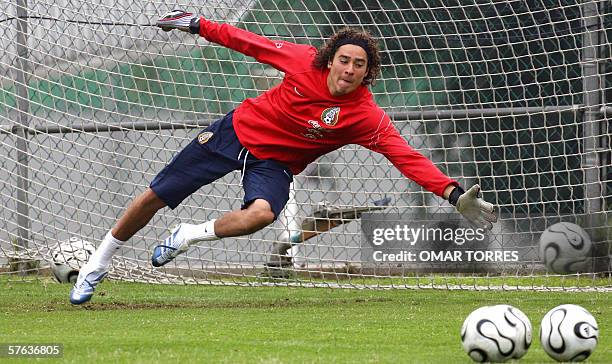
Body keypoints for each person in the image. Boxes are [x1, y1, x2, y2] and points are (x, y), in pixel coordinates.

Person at [69, 10, 497, 304]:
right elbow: (248, 42)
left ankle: (188, 234)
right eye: (343, 60)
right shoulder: (301, 60)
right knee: (152, 197)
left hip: (272, 165)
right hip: (231, 133)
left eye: (359, 65)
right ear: (330, 60)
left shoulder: (366, 117)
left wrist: (453, 192)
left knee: (260, 216)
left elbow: (407, 157)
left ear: (369, 73)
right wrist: (199, 25)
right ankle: (96, 264)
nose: (349, 69)